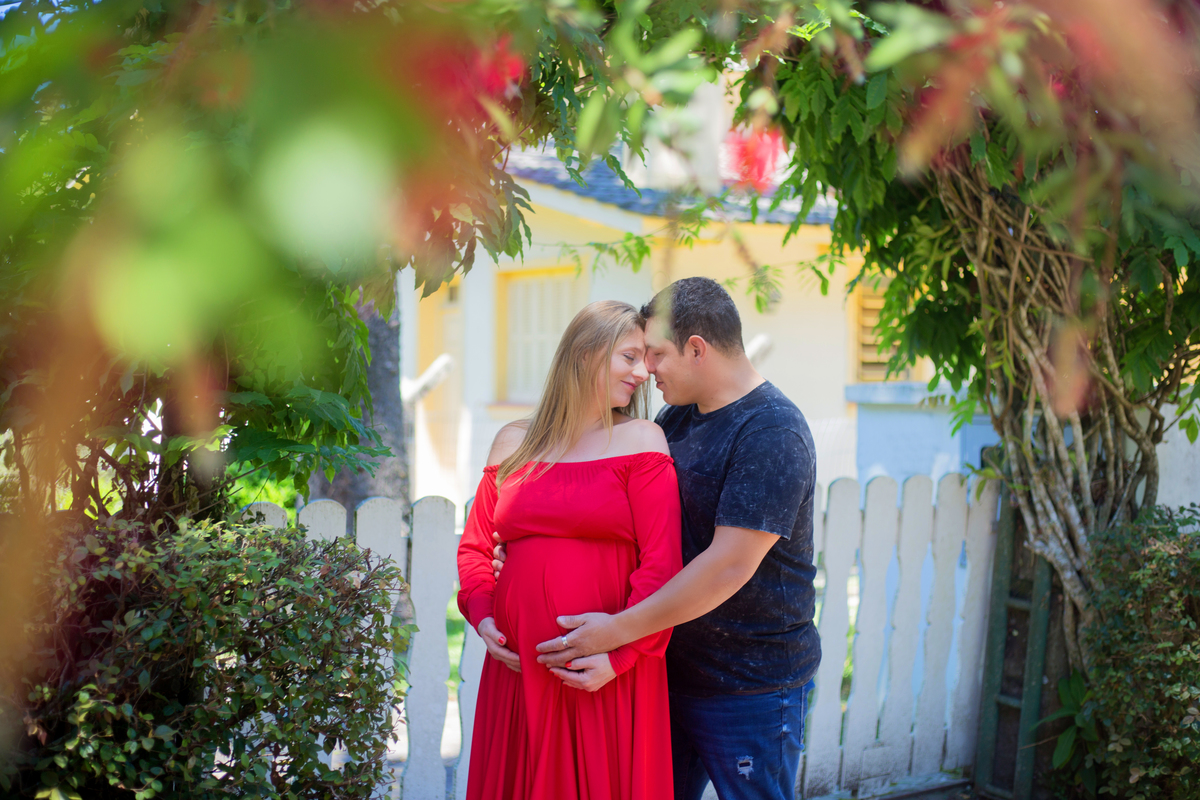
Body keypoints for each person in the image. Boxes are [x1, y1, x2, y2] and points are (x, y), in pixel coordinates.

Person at [513, 277, 820, 800]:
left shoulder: (772, 431)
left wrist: (617, 633)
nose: (645, 370)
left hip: (749, 686)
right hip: (667, 671)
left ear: (696, 349)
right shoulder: (674, 418)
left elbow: (728, 566)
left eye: (655, 354)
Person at [455, 300, 683, 800]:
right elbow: (475, 549)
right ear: (585, 354)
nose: (643, 373)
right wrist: (485, 618)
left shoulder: (643, 440)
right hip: (517, 672)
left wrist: (619, 657)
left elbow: (662, 566)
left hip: (599, 673)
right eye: (629, 357)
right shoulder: (513, 442)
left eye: (646, 359)